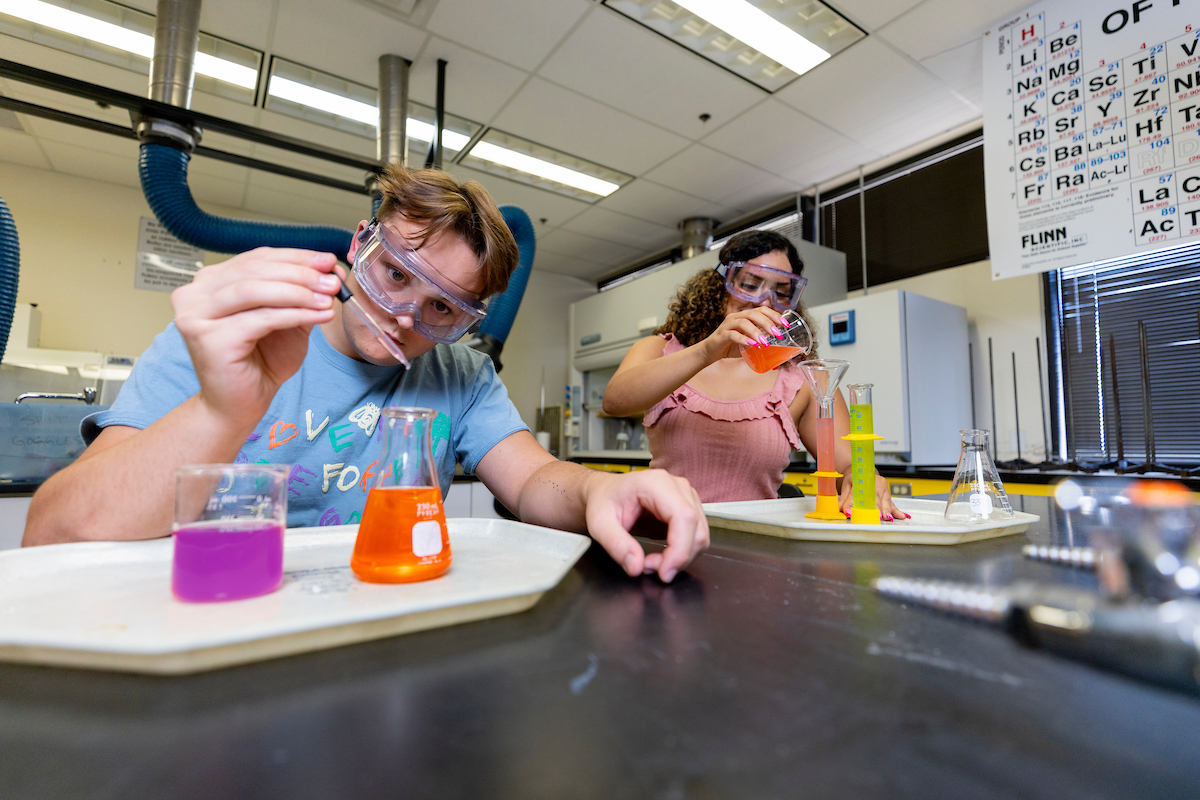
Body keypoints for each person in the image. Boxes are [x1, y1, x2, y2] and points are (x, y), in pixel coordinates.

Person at [23, 166, 708, 583]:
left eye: (442, 307)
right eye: (393, 273)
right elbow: (52, 538)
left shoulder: (460, 373)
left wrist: (598, 489)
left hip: (385, 631)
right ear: (360, 245)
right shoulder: (233, 341)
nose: (406, 316)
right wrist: (221, 409)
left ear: (471, 320)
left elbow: (531, 479)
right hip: (219, 629)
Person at [603, 230, 907, 520]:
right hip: (668, 535)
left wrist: (863, 477)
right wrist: (709, 350)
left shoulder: (803, 377)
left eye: (781, 292)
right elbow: (614, 401)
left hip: (757, 544)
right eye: (749, 284)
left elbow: (847, 463)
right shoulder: (661, 350)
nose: (764, 301)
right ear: (720, 286)